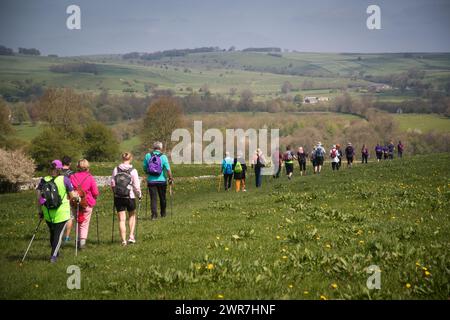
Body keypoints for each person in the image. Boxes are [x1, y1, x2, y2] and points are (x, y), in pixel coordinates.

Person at [37, 160, 77, 263]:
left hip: (47, 212)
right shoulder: (65, 180)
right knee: (58, 235)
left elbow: (39, 197)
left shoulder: (43, 180)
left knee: (53, 233)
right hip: (61, 212)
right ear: (60, 169)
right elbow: (72, 196)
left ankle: (56, 252)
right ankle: (53, 256)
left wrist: (40, 211)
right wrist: (77, 199)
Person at [112, 152, 142, 246]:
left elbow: (112, 183)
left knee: (121, 219)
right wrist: (139, 195)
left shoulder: (116, 169)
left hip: (118, 197)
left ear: (122, 158)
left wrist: (115, 192)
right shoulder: (133, 171)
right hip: (130, 196)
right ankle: (131, 237)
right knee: (132, 216)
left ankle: (123, 241)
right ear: (131, 158)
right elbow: (136, 186)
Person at [69, 159, 99, 249]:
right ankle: (82, 243)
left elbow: (69, 189)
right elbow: (95, 192)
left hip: (75, 202)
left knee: (78, 221)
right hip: (87, 202)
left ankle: (77, 241)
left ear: (78, 167)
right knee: (84, 223)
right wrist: (94, 197)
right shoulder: (90, 177)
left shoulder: (72, 177)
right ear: (87, 167)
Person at [143, 142, 173, 221]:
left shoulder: (148, 155)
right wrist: (170, 178)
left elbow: (144, 167)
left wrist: (148, 172)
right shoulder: (163, 157)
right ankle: (163, 214)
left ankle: (154, 216)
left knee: (153, 198)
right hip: (162, 180)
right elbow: (168, 169)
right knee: (162, 197)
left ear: (153, 147)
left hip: (151, 181)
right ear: (161, 148)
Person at [61, 156, 75, 243]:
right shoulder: (71, 173)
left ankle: (58, 235)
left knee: (60, 217)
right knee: (69, 217)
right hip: (69, 197)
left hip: (58, 197)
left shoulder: (57, 172)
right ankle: (67, 237)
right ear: (69, 163)